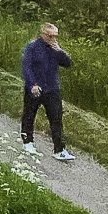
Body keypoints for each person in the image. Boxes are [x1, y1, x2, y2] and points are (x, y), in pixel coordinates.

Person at [20, 23, 74, 161]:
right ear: (43, 34)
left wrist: (60, 51)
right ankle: (28, 141)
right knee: (29, 115)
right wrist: (32, 84)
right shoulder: (32, 47)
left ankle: (59, 149)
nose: (52, 38)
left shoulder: (55, 49)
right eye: (50, 36)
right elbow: (26, 67)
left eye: (55, 36)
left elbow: (67, 64)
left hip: (52, 88)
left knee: (56, 118)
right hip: (35, 87)